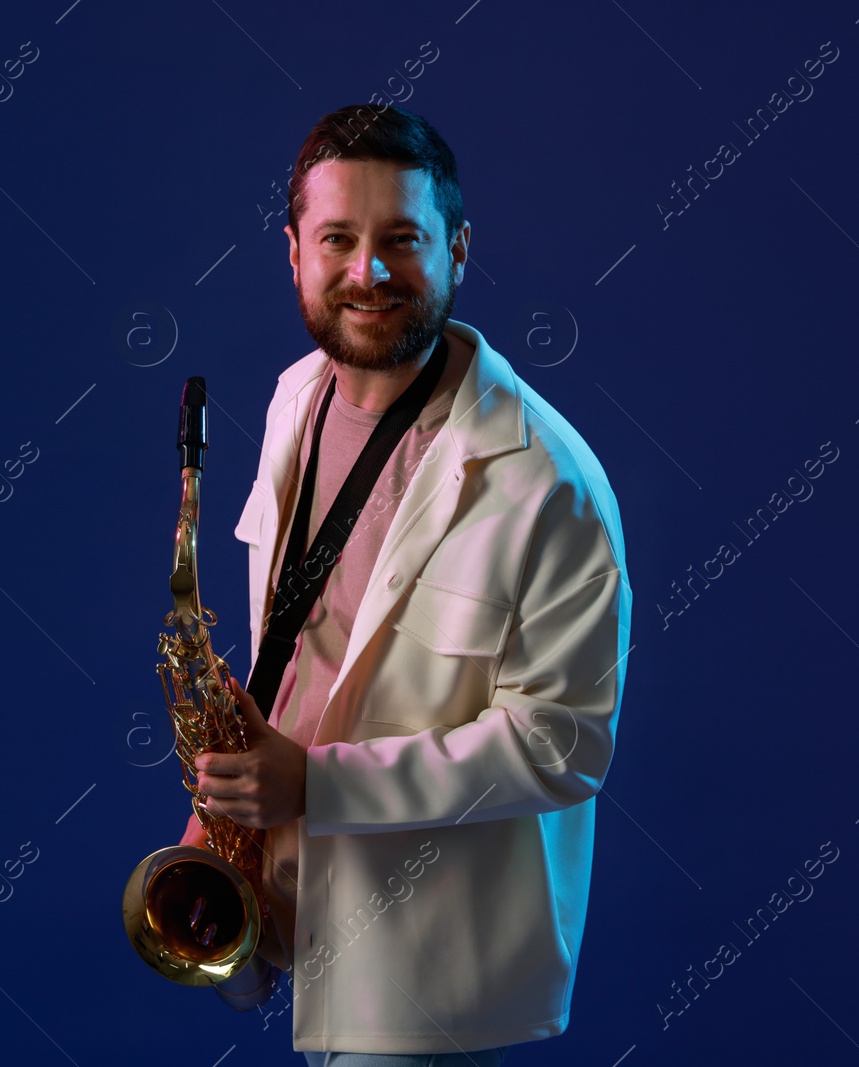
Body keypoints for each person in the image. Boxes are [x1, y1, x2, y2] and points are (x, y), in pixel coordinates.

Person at [177, 103, 632, 1065]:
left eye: (402, 239)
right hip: (292, 902)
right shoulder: (295, 397)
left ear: (459, 249)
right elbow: (299, 637)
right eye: (338, 238)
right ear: (293, 250)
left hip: (422, 974)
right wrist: (229, 807)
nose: (367, 272)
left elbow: (564, 743)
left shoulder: (548, 480)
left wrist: (314, 783)